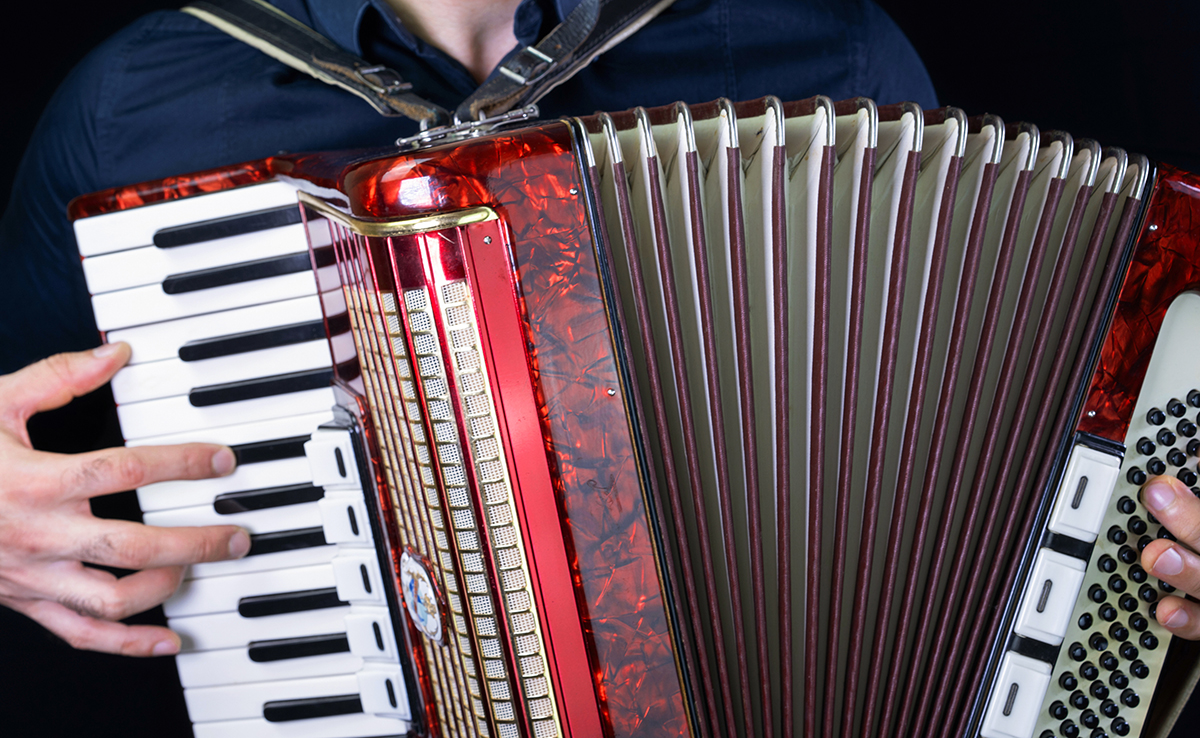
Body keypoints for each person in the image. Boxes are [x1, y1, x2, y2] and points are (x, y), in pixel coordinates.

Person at [0, 0, 939, 662]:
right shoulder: (130, 106)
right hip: (330, 677)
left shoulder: (830, 52)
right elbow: (25, 427)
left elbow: (968, 423)